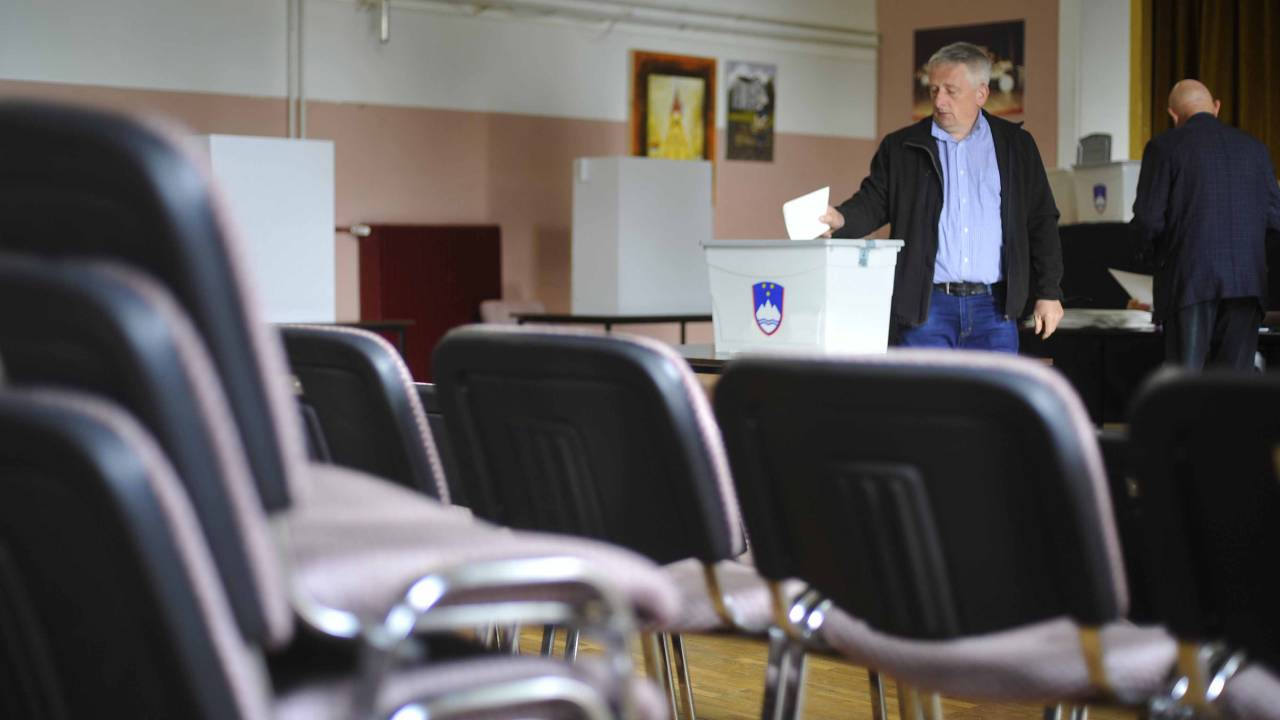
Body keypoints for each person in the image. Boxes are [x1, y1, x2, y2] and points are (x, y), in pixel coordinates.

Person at [819, 42, 1064, 351]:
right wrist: (841, 219)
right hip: (926, 309)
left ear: (981, 93)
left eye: (951, 91)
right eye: (934, 90)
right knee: (922, 387)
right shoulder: (901, 147)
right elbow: (873, 202)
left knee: (992, 387)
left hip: (995, 310)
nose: (939, 101)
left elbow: (1042, 220)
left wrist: (1049, 292)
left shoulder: (1016, 145)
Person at [1131, 79, 1280, 370]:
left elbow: (1148, 220)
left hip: (1189, 285)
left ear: (1173, 114)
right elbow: (1275, 220)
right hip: (1247, 286)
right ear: (1216, 107)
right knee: (1234, 387)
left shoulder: (1163, 147)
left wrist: (1149, 259)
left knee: (1187, 384)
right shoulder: (1255, 148)